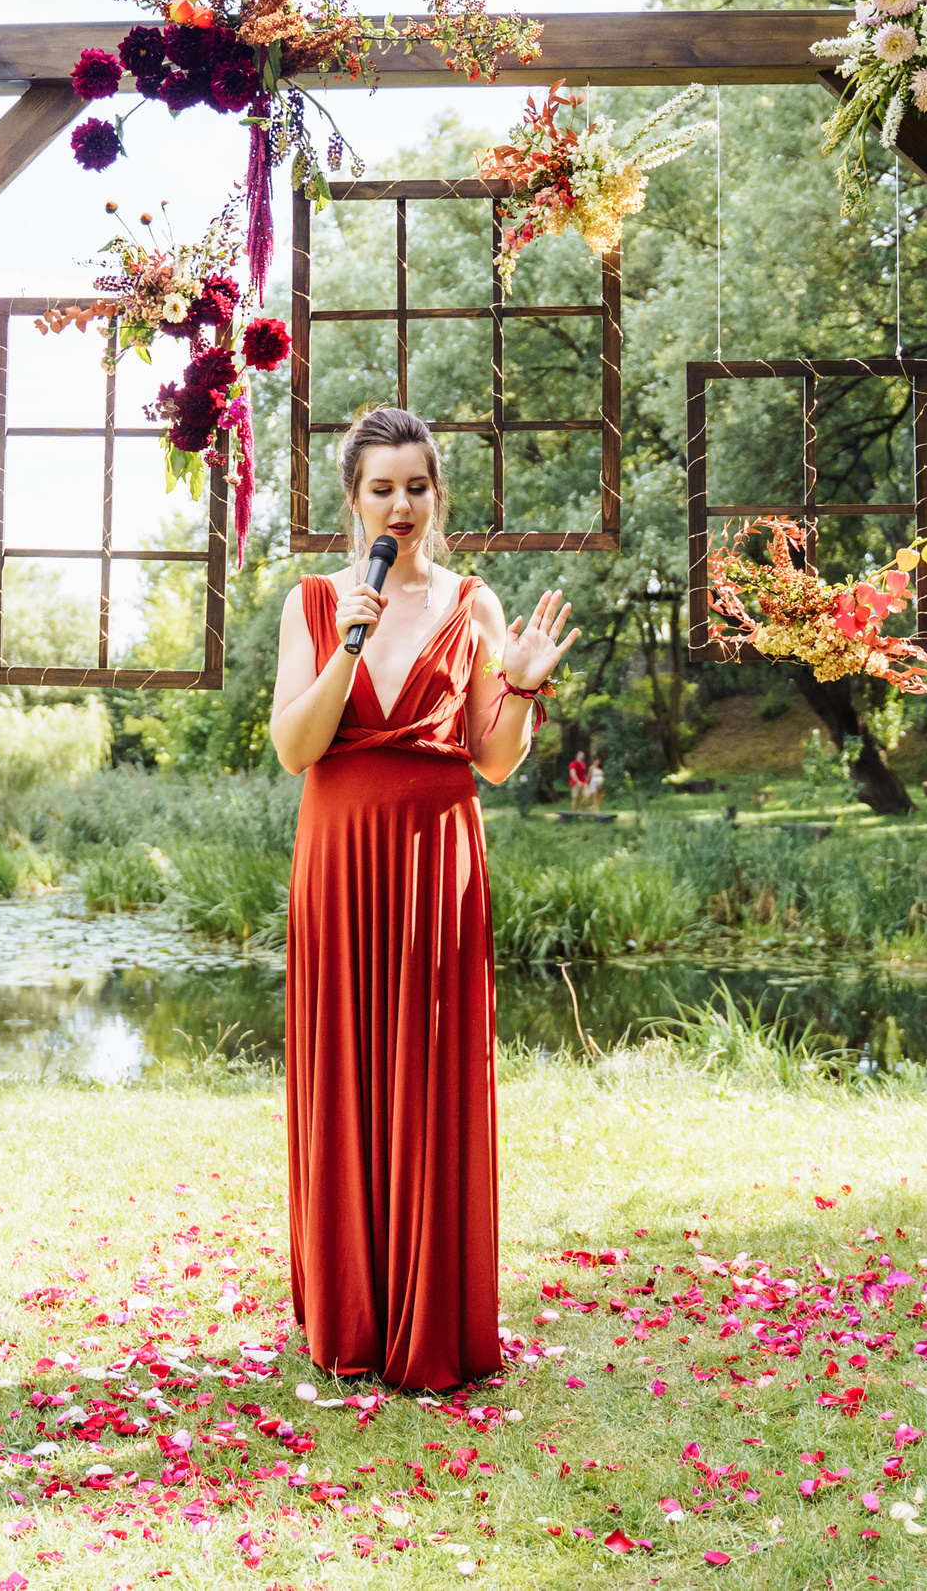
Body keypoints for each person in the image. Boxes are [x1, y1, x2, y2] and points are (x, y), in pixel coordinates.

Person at [268, 407, 578, 1391]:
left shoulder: (474, 604)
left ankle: (429, 1314)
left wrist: (520, 690)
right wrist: (345, 652)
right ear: (352, 503)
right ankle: (354, 1314)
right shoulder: (315, 603)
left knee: (428, 1075)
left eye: (415, 487)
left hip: (436, 863)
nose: (398, 505)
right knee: (347, 1074)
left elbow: (492, 761)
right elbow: (295, 748)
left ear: (436, 496)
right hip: (338, 859)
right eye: (379, 489)